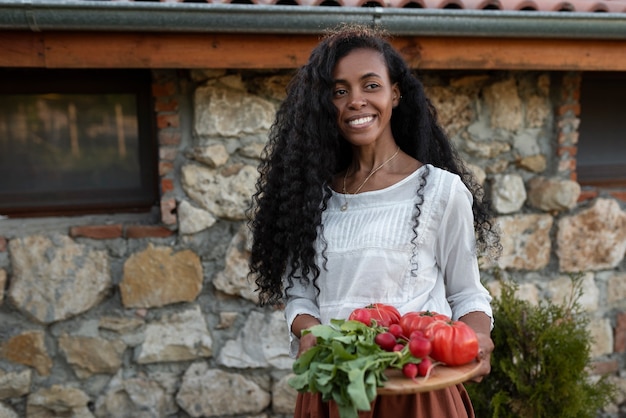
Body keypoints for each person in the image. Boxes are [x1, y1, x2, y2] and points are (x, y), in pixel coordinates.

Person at [249, 23, 500, 418]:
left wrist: (479, 336)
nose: (355, 101)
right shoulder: (310, 197)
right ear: (323, 104)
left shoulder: (440, 191)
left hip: (418, 389)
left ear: (395, 93)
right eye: (339, 91)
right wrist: (310, 333)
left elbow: (467, 293)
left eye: (370, 85)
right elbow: (299, 294)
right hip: (336, 388)